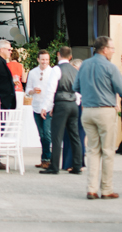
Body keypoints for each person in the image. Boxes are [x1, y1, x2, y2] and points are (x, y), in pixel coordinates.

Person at [73, 36, 122, 199]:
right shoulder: (110, 67)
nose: (113, 51)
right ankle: (106, 189)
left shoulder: (84, 65)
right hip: (105, 110)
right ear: (104, 49)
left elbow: (75, 86)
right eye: (112, 49)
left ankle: (91, 189)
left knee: (92, 150)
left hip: (88, 110)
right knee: (108, 151)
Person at [39, 46, 82, 177]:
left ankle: (54, 166)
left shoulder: (57, 69)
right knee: (75, 136)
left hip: (61, 103)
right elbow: (79, 89)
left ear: (58, 54)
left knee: (56, 136)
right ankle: (77, 165)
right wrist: (76, 102)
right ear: (70, 57)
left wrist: (46, 106)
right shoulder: (75, 70)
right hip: (73, 104)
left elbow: (51, 89)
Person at [25, 50, 52, 169]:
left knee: (47, 133)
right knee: (41, 134)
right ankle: (44, 159)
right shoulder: (33, 73)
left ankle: (48, 159)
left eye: (46, 59)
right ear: (38, 60)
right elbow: (27, 90)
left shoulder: (52, 72)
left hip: (48, 107)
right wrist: (33, 91)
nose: (45, 62)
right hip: (36, 106)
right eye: (42, 59)